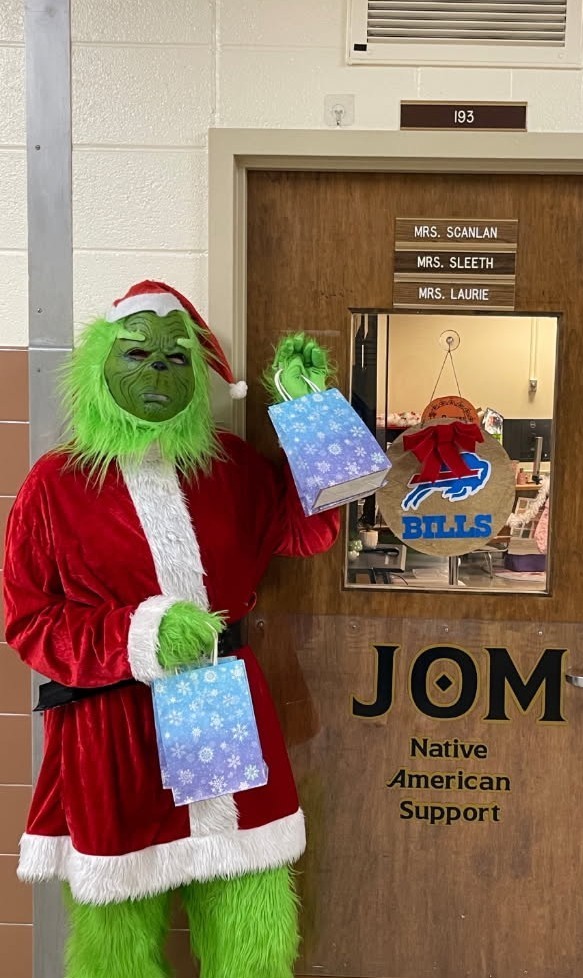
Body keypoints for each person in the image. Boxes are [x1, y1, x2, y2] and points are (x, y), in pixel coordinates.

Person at [2, 281, 339, 978]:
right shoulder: (55, 485)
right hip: (110, 725)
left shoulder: (232, 471)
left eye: (174, 356)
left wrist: (310, 413)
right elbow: (29, 621)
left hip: (217, 705)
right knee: (116, 943)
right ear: (100, 367)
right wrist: (139, 636)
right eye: (137, 352)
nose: (158, 368)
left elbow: (312, 529)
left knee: (253, 930)